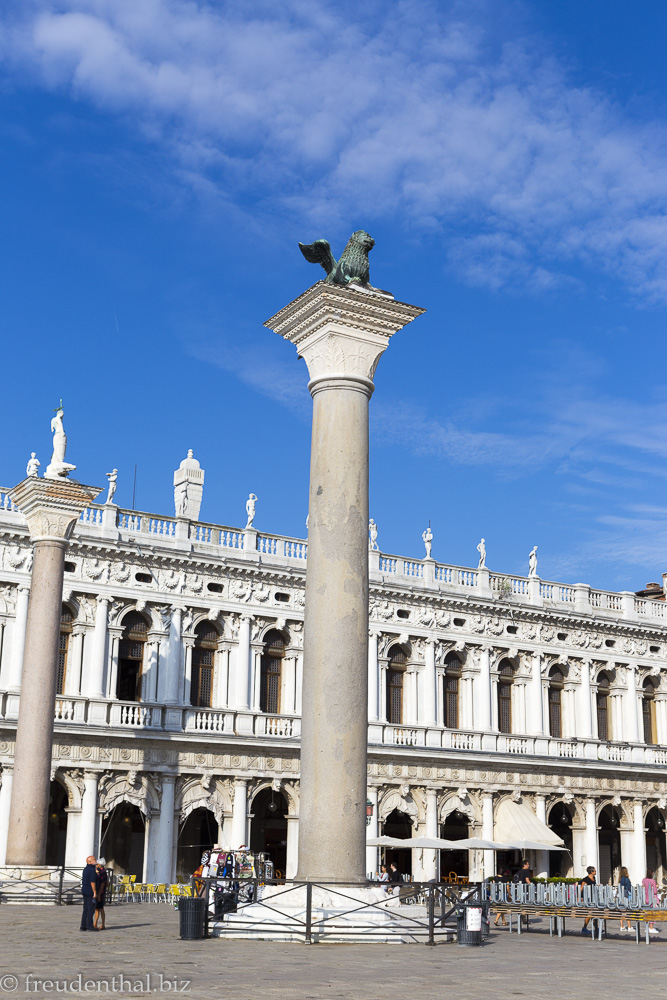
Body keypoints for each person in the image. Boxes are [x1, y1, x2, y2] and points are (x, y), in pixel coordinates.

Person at [80, 856, 98, 932]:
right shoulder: (91, 870)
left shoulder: (86, 869)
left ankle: (83, 925)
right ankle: (89, 925)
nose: (95, 861)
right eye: (94, 860)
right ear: (90, 862)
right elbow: (92, 882)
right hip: (90, 890)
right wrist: (95, 892)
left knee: (85, 908)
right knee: (91, 908)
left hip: (84, 889)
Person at [579, 866, 596, 934]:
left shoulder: (593, 878)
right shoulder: (586, 880)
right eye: (595, 871)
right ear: (591, 872)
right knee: (590, 913)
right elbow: (581, 889)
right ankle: (584, 927)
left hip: (593, 898)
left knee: (593, 913)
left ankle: (596, 928)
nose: (595, 871)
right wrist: (579, 898)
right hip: (587, 899)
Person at [642, 869, 660, 934]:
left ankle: (647, 927)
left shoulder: (644, 880)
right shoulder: (653, 881)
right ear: (652, 873)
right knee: (652, 913)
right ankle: (651, 928)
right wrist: (657, 887)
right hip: (652, 899)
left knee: (647, 913)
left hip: (646, 898)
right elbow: (655, 891)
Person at [93, 858, 108, 930]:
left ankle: (102, 924)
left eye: (97, 864)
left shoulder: (103, 872)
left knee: (100, 908)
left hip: (100, 892)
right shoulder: (98, 871)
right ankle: (95, 923)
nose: (96, 865)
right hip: (98, 891)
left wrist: (99, 894)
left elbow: (103, 883)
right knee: (97, 908)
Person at [617, 866, 632, 932]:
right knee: (627, 910)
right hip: (626, 895)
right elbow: (629, 887)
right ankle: (629, 926)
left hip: (621, 895)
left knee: (621, 911)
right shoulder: (626, 879)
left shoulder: (620, 879)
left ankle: (622, 926)